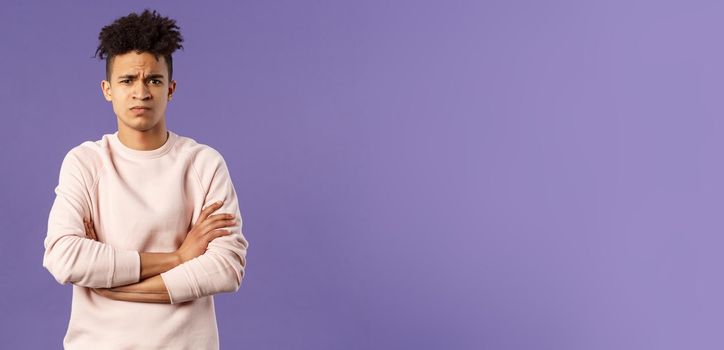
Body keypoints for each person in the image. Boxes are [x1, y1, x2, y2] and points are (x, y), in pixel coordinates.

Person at [42, 9, 249, 349]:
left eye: (153, 80)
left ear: (171, 88)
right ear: (107, 89)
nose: (141, 92)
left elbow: (225, 267)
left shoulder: (203, 163)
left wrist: (110, 285)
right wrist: (178, 258)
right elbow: (64, 257)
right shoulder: (86, 163)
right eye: (127, 81)